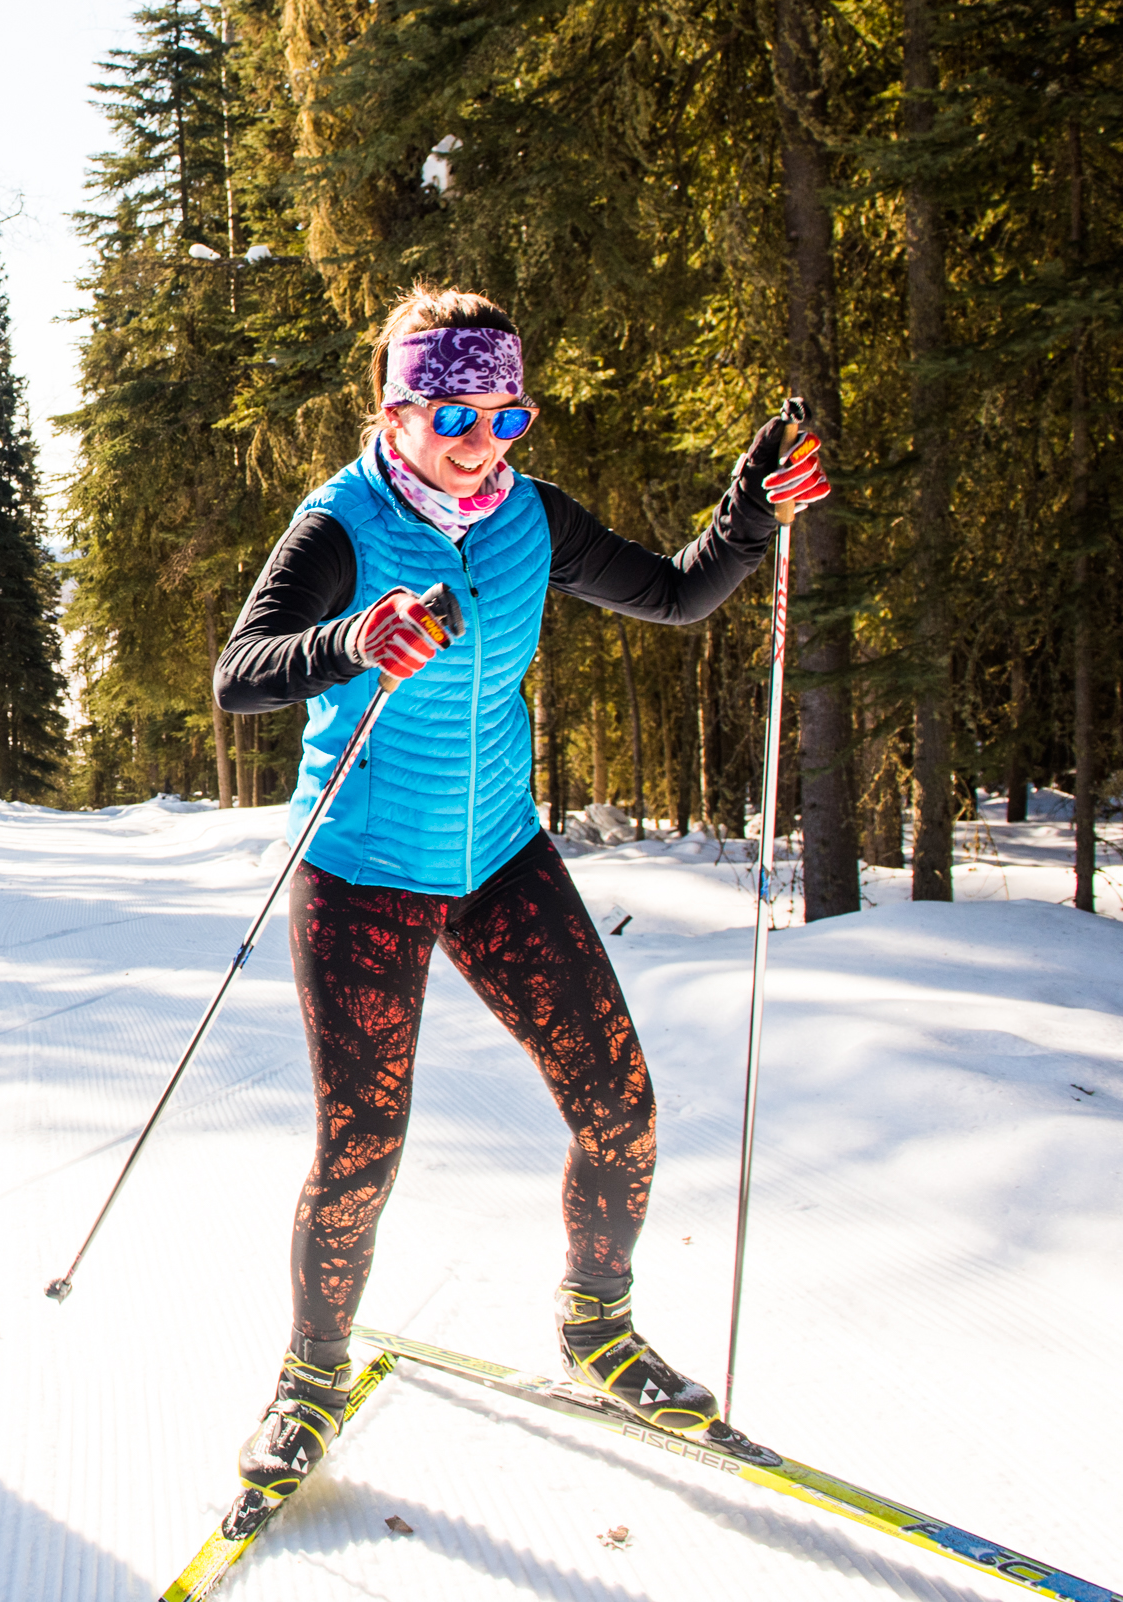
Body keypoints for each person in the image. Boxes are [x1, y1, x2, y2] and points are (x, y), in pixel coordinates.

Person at [211, 286, 829, 1521]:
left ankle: (597, 1326)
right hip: (362, 872)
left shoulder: (530, 519)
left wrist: (751, 512)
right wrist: (351, 637)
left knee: (622, 1105)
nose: (477, 439)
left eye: (504, 413)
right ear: (396, 409)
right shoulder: (341, 521)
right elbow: (239, 676)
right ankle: (309, 1377)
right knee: (360, 1147)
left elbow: (677, 591)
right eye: (449, 411)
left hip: (498, 856)